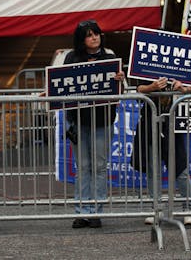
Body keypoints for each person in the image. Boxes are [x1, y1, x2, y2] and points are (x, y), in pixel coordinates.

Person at [63, 19, 124, 229]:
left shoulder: (110, 58)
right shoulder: (72, 58)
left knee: (99, 167)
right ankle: (81, 211)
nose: (94, 37)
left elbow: (119, 93)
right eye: (89, 35)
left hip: (102, 120)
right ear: (82, 39)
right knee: (83, 167)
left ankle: (96, 211)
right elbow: (61, 86)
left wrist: (119, 80)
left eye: (96, 33)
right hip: (78, 120)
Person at [133, 77, 191, 227]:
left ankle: (189, 209)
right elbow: (138, 89)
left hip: (174, 123)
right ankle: (156, 209)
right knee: (152, 170)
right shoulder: (146, 65)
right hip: (150, 122)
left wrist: (185, 89)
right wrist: (152, 87)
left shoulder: (183, 65)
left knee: (181, 168)